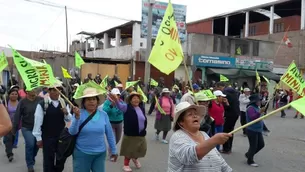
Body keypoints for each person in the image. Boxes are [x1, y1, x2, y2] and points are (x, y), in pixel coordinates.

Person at [168, 102, 232, 172]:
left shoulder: (204, 134)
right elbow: (189, 157)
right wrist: (214, 140)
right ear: (181, 122)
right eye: (190, 114)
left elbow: (219, 159)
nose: (195, 116)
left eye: (196, 114)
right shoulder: (177, 136)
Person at [69, 87, 117, 172]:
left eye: (94, 99)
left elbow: (110, 134)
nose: (91, 101)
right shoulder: (78, 113)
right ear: (84, 102)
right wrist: (77, 118)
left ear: (97, 101)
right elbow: (72, 132)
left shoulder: (104, 115)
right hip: (81, 153)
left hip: (100, 154)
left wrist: (114, 150)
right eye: (88, 99)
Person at [32, 82, 72, 172]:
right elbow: (38, 121)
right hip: (47, 137)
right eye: (54, 90)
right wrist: (38, 138)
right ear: (49, 91)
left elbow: (69, 119)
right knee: (48, 161)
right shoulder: (42, 104)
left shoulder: (64, 103)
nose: (57, 92)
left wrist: (66, 113)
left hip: (61, 136)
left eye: (59, 90)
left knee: (60, 159)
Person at [108, 91, 147, 172]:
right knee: (129, 150)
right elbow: (119, 105)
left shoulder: (141, 108)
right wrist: (116, 99)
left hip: (141, 134)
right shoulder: (126, 107)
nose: (136, 100)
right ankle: (126, 164)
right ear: (130, 100)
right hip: (130, 134)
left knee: (142, 149)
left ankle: (135, 158)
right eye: (134, 98)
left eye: (137, 98)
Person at [13, 88, 42, 172]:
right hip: (26, 127)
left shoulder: (41, 100)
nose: (33, 91)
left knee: (37, 145)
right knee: (30, 144)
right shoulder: (22, 102)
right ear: (27, 91)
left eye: (34, 89)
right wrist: (14, 128)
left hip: (38, 128)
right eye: (31, 89)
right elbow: (17, 115)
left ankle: (31, 158)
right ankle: (30, 165)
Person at [216, 82, 240, 154]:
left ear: (220, 87)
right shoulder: (233, 92)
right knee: (231, 130)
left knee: (226, 131)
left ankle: (226, 148)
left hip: (229, 114)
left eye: (218, 88)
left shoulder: (225, 93)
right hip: (236, 113)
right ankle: (229, 148)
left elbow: (226, 106)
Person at [245, 94, 265, 167]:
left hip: (258, 130)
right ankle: (250, 160)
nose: (260, 101)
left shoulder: (257, 107)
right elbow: (253, 117)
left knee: (261, 144)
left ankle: (248, 154)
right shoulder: (250, 108)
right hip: (251, 130)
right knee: (253, 146)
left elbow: (260, 118)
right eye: (258, 100)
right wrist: (259, 112)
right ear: (254, 101)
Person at [102, 88, 124, 155]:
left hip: (119, 123)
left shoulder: (121, 102)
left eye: (118, 95)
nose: (116, 96)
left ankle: (111, 147)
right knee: (113, 139)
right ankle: (112, 153)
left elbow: (124, 111)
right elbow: (104, 111)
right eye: (115, 95)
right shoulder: (107, 102)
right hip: (110, 123)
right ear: (111, 95)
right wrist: (111, 106)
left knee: (118, 139)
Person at [3, 88, 20, 162]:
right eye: (12, 94)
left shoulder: (20, 102)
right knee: (8, 138)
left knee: (12, 139)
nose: (14, 95)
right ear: (9, 95)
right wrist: (4, 110)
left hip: (16, 124)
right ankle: (10, 154)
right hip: (7, 123)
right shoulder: (5, 102)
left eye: (16, 94)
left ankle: (8, 147)